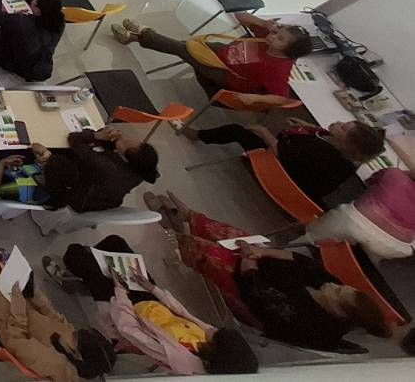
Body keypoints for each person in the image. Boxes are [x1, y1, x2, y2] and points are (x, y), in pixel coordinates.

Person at [153, 191, 391, 353]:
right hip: (259, 264)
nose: (333, 285)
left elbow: (255, 293)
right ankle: (187, 218)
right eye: (341, 287)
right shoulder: (328, 284)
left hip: (248, 286)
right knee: (238, 237)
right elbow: (300, 260)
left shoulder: (306, 321)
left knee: (217, 256)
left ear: (338, 312)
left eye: (337, 292)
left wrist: (249, 259)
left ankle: (178, 238)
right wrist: (261, 252)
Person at [54, 235, 260, 376]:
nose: (212, 330)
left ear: (217, 353)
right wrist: (153, 289)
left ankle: (82, 274)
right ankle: (91, 272)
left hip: (124, 312)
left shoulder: (180, 357)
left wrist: (120, 291)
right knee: (116, 243)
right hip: (150, 303)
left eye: (215, 335)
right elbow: (183, 313)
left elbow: (129, 329)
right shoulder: (211, 339)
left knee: (74, 253)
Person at [113, 11, 310, 101]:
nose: (273, 36)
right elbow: (239, 15)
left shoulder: (279, 68)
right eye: (277, 32)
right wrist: (263, 23)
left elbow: (282, 98)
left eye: (280, 38)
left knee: (182, 48)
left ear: (288, 51)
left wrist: (252, 98)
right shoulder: (267, 36)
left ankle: (144, 32)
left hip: (223, 73)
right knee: (184, 46)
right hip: (221, 51)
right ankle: (134, 37)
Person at [185, 119, 386, 206]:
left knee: (237, 130)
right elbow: (322, 136)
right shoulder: (344, 154)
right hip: (301, 181)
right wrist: (309, 126)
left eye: (343, 128)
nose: (339, 123)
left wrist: (264, 132)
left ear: (347, 144)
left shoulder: (325, 152)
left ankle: (197, 135)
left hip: (283, 175)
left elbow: (282, 153)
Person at [296, 165, 415, 260]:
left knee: (312, 237)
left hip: (355, 221)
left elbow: (369, 181)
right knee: (358, 259)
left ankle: (296, 248)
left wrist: (403, 174)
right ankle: (347, 268)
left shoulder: (394, 174)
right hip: (394, 247)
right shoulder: (395, 175)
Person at [40, 127, 160, 213]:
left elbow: (74, 138)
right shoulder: (141, 169)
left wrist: (97, 136)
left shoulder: (105, 166)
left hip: (80, 198)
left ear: (126, 158)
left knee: (57, 160)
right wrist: (110, 134)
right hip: (101, 197)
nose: (126, 139)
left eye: (126, 143)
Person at [0, 0, 66, 84]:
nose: (34, 0)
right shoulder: (59, 22)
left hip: (11, 63)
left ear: (38, 11)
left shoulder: (21, 22)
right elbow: (44, 6)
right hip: (37, 64)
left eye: (35, 0)